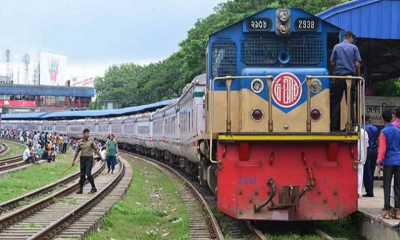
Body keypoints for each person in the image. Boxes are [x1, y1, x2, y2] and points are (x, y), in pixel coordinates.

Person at [330, 31, 361, 131]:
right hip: (350, 78)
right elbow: (357, 64)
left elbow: (332, 62)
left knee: (336, 102)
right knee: (350, 103)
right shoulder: (354, 48)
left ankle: (334, 126)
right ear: (351, 38)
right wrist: (358, 76)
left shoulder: (336, 47)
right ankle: (351, 125)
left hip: (339, 77)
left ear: (344, 37)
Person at [377, 109, 400, 219]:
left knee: (386, 186)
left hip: (388, 161)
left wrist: (379, 162)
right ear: (391, 118)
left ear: (383, 120)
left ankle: (387, 212)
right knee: (398, 186)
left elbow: (382, 150)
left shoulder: (384, 132)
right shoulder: (398, 131)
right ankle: (398, 212)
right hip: (398, 161)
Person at [72, 129, 104, 194]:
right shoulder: (80, 142)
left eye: (89, 133)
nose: (88, 135)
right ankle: (80, 190)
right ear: (83, 134)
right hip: (82, 160)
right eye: (87, 133)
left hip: (89, 159)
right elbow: (77, 152)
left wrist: (101, 157)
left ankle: (93, 188)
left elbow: (96, 150)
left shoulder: (91, 141)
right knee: (82, 175)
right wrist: (73, 161)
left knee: (88, 173)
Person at [363, 115, 380, 197]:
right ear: (369, 119)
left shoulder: (362, 129)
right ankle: (371, 189)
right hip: (374, 150)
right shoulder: (375, 128)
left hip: (367, 150)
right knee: (372, 171)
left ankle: (369, 191)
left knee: (367, 172)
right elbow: (378, 139)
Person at [358, 127, 369, 197]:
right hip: (361, 155)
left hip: (352, 153)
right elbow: (367, 144)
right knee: (360, 174)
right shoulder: (364, 132)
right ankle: (358, 191)